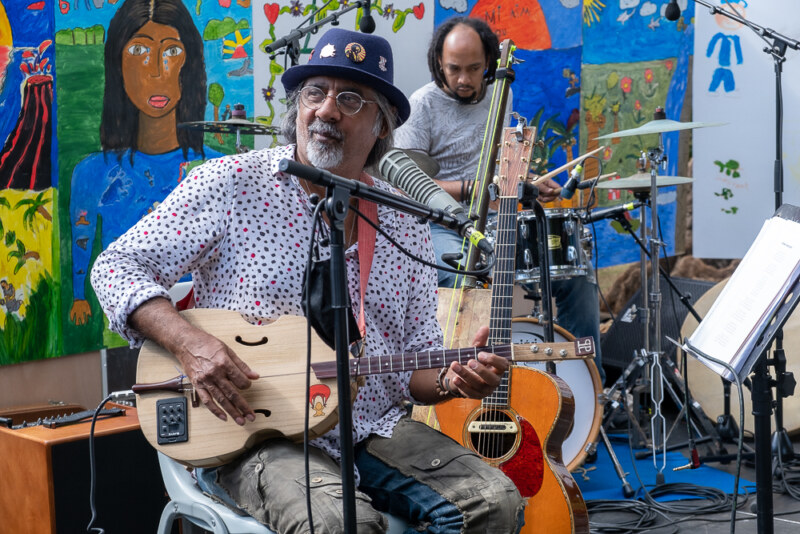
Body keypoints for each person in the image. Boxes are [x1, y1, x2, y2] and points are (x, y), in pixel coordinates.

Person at [91, 27, 524, 533]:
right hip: (253, 432)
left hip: (368, 428)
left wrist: (453, 379)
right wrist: (191, 346)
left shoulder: (404, 219)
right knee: (341, 525)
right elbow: (115, 266)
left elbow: (414, 367)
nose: (327, 111)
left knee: (495, 501)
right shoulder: (232, 183)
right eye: (315, 93)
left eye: (350, 99)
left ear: (382, 125)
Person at [393, 16, 605, 382]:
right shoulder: (421, 106)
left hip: (494, 222)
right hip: (441, 225)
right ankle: (460, 385)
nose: (464, 79)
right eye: (454, 69)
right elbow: (406, 184)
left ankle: (584, 390)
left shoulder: (499, 95)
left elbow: (499, 167)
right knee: (463, 273)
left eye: (474, 69)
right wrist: (472, 188)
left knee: (577, 277)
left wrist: (527, 183)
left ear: (489, 63)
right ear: (439, 63)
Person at [69, 0, 222, 326]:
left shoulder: (216, 169)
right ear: (118, 63)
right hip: (127, 330)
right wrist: (79, 297)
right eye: (139, 50)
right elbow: (83, 240)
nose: (156, 70)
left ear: (189, 63)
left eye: (171, 51)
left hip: (207, 330)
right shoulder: (92, 173)